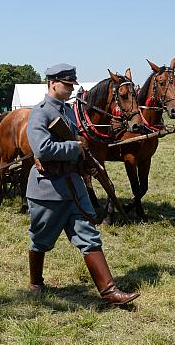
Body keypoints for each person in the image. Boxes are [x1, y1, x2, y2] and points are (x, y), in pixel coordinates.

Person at [25, 63, 139, 305]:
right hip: (48, 189)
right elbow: (42, 149)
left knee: (89, 237)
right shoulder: (40, 112)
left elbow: (77, 146)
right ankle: (36, 282)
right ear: (52, 83)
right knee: (40, 239)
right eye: (67, 85)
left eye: (72, 85)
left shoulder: (67, 111)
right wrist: (75, 148)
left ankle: (109, 291)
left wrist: (85, 162)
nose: (70, 89)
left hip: (73, 186)